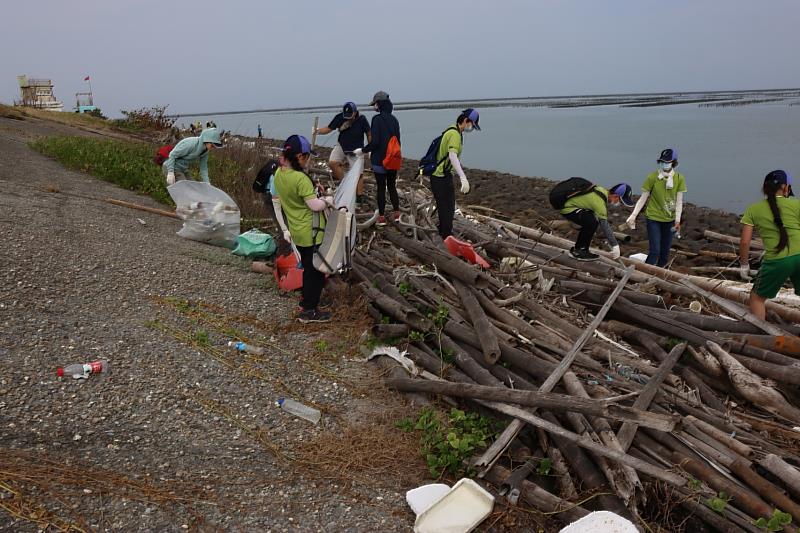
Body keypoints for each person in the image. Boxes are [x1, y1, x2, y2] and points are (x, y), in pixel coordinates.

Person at [272, 134, 335, 323]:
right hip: (311, 232)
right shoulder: (300, 178)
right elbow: (315, 206)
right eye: (307, 157)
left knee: (308, 268)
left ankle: (305, 303)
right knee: (315, 271)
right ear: (299, 157)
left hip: (297, 231)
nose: (308, 161)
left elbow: (295, 198)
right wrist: (328, 200)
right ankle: (309, 311)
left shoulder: (279, 173)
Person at [739, 170, 800, 319]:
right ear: (786, 188)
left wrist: (744, 265)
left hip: (777, 261)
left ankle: (763, 336)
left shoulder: (753, 209)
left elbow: (745, 241)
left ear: (764, 188)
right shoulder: (796, 204)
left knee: (756, 298)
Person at [625, 148, 687, 267]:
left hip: (669, 220)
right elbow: (643, 198)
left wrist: (678, 221)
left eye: (667, 162)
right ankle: (644, 275)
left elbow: (679, 202)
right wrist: (633, 216)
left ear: (673, 162)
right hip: (653, 218)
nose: (665, 164)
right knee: (655, 251)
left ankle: (659, 278)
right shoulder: (652, 177)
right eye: (662, 162)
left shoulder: (679, 179)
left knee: (665, 253)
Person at [429, 109, 481, 238]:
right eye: (472, 125)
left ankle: (445, 232)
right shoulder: (455, 135)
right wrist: (463, 177)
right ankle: (446, 236)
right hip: (440, 176)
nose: (471, 128)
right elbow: (452, 156)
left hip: (443, 175)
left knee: (447, 206)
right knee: (446, 207)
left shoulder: (454, 131)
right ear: (465, 121)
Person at [353, 91, 400, 225]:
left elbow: (375, 142)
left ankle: (381, 217)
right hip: (393, 159)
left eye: (375, 104)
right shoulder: (394, 120)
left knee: (381, 188)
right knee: (391, 186)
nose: (374, 106)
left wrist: (362, 151)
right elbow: (397, 141)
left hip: (379, 160)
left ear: (379, 104)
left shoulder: (376, 119)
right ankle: (397, 214)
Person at [560, 182, 634, 261]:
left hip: (573, 207)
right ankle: (579, 251)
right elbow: (604, 226)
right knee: (591, 222)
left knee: (592, 221)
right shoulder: (599, 203)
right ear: (615, 196)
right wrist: (615, 245)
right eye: (620, 201)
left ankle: (582, 250)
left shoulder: (601, 191)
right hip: (569, 209)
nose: (618, 203)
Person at [315, 102, 371, 186]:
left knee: (358, 174)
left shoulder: (362, 119)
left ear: (355, 112)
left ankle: (359, 196)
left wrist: (370, 148)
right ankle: (345, 183)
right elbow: (329, 128)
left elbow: (369, 133)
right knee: (332, 163)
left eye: (350, 115)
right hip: (341, 145)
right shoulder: (340, 117)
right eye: (346, 115)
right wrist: (317, 131)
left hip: (356, 150)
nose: (348, 117)